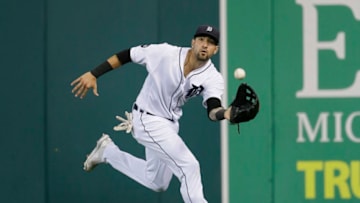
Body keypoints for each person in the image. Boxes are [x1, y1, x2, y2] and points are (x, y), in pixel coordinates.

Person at [71, 25, 232, 203]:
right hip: (146, 118)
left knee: (157, 182)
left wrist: (226, 113)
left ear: (215, 50)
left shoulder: (213, 77)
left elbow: (213, 108)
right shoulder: (165, 53)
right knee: (189, 167)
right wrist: (95, 73)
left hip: (169, 124)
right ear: (193, 42)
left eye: (210, 43)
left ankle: (108, 152)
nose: (204, 45)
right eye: (201, 39)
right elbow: (128, 55)